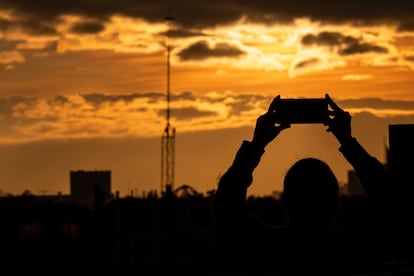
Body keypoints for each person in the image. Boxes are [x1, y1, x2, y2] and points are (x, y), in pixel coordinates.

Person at [212, 94, 393, 274]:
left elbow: (226, 208)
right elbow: (388, 201)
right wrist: (347, 141)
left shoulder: (266, 249)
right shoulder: (353, 249)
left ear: (285, 202)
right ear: (336, 202)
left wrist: (257, 143)